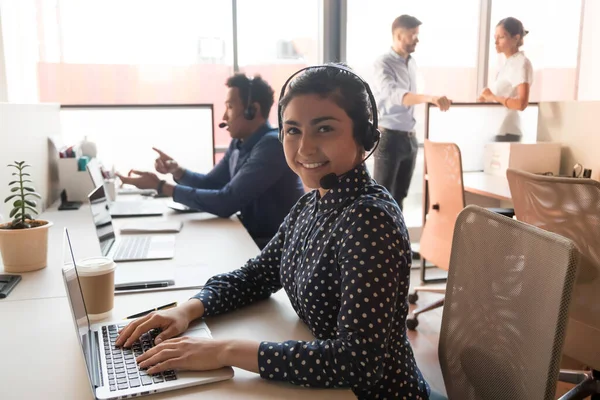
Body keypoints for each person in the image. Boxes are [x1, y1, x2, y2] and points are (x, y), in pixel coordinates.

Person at [116, 64, 431, 400]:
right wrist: (187, 310)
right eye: (292, 130)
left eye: (324, 128)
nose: (304, 148)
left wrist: (224, 351)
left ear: (363, 136)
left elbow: (358, 363)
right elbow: (256, 276)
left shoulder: (370, 220)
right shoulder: (310, 206)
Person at [117, 74, 304, 248]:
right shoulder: (239, 143)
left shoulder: (271, 146)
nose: (224, 117)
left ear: (251, 110)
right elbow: (211, 183)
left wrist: (161, 187)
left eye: (230, 107)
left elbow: (226, 202)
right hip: (249, 238)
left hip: (272, 247)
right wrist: (178, 171)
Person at [372, 14, 451, 210]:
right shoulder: (383, 63)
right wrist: (430, 98)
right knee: (381, 197)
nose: (417, 39)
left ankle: (395, 239)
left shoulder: (412, 63)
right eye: (413, 34)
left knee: (400, 197)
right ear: (399, 35)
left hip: (409, 139)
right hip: (389, 138)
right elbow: (394, 95)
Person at [479, 17, 533, 142]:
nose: (496, 42)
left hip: (508, 133)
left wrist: (492, 97)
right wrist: (486, 99)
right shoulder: (508, 64)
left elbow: (521, 103)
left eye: (501, 37)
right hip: (499, 129)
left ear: (516, 38)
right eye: (495, 37)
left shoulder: (521, 63)